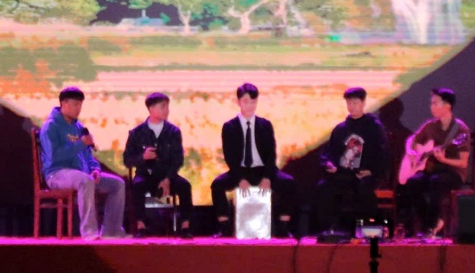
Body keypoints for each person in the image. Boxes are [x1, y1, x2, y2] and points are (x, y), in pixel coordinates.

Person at [210, 83, 297, 237]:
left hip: (263, 169)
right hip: (240, 171)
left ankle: (283, 226)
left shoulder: (265, 125)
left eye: (253, 102)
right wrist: (240, 179)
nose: (249, 106)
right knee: (217, 185)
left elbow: (271, 154)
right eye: (245, 102)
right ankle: (224, 227)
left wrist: (267, 177)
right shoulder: (229, 127)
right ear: (238, 102)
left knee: (288, 183)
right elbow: (230, 157)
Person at [40, 85, 126, 239]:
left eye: (80, 105)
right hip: (57, 174)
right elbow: (54, 156)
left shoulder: (78, 127)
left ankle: (111, 231)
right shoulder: (50, 126)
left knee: (117, 184)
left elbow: (88, 155)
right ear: (64, 103)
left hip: (82, 174)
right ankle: (89, 232)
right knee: (85, 181)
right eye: (75, 104)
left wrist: (95, 169)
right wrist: (80, 144)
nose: (78, 109)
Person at [396, 87, 471, 239]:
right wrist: (412, 153)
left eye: (435, 103)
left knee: (436, 182)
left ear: (448, 105)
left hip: (453, 173)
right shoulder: (430, 126)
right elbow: (412, 140)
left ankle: (431, 226)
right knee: (412, 183)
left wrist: (444, 160)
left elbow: (463, 163)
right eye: (431, 103)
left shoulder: (460, 130)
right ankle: (429, 224)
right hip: (432, 170)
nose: (432, 107)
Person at [315, 86, 387, 235]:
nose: (352, 106)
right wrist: (329, 164)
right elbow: (328, 152)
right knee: (324, 187)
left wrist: (372, 170)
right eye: (349, 103)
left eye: (355, 102)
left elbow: (382, 153)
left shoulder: (374, 127)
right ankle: (330, 230)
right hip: (343, 173)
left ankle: (367, 232)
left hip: (365, 173)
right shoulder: (341, 129)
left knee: (364, 189)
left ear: (363, 103)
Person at [122, 92, 194, 238]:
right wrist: (142, 157)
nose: (167, 110)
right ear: (151, 109)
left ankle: (185, 227)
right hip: (145, 175)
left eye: (167, 107)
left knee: (185, 186)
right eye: (163, 107)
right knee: (137, 186)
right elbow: (127, 159)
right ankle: (141, 227)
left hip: (168, 175)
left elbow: (178, 159)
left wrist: (167, 179)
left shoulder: (173, 132)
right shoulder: (137, 133)